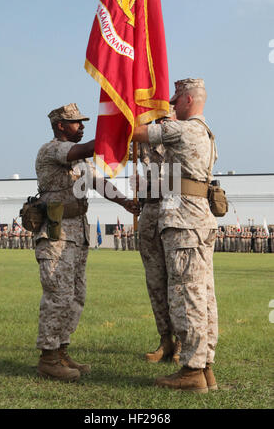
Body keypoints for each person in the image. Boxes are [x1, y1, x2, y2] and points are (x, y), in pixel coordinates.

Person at [34, 103, 139, 383]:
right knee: (58, 294)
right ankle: (48, 357)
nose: (81, 126)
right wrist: (113, 134)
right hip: (55, 235)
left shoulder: (80, 161)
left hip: (76, 235)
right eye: (76, 123)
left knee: (76, 295)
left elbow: (100, 183)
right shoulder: (53, 149)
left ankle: (62, 350)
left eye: (82, 122)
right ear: (60, 126)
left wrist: (126, 202)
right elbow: (85, 149)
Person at [132, 78, 219, 393]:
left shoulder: (184, 129)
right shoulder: (205, 132)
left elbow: (138, 132)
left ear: (186, 100)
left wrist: (122, 113)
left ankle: (192, 371)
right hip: (197, 220)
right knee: (203, 295)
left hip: (184, 222)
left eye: (174, 100)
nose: (170, 105)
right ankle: (204, 367)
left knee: (187, 295)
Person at [130, 120, 181, 365]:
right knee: (155, 281)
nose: (161, 119)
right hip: (150, 212)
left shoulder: (182, 136)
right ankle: (165, 339)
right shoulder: (142, 141)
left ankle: (183, 340)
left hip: (176, 211)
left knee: (178, 279)